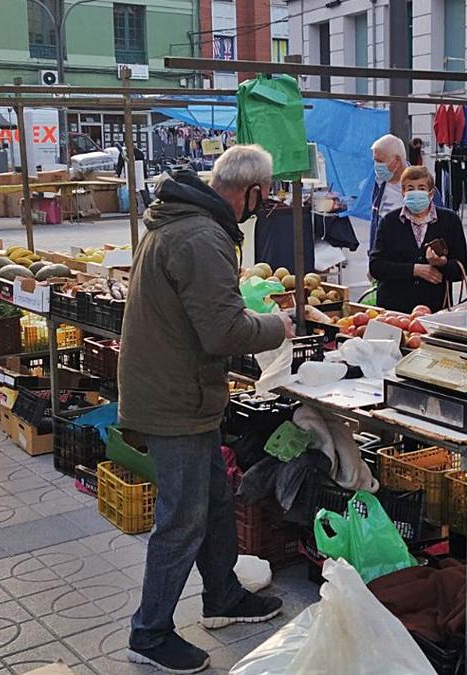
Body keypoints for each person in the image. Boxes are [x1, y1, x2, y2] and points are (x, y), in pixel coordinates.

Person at [119, 144, 294, 674]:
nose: (261, 209)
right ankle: (149, 633)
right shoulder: (200, 236)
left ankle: (223, 596)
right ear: (252, 191)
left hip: (179, 389)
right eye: (263, 199)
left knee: (216, 501)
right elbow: (222, 332)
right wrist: (276, 326)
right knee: (182, 520)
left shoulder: (182, 221)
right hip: (175, 401)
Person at [369, 165, 467, 313]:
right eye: (410, 188)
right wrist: (414, 270)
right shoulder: (389, 222)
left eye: (421, 188)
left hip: (434, 309)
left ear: (431, 193)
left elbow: (462, 269)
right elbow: (376, 266)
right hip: (394, 310)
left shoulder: (449, 221)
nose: (416, 192)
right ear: (403, 192)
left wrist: (442, 263)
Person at [368, 134, 408, 249]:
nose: (376, 166)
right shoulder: (380, 184)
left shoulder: (420, 185)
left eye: (380, 161)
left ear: (397, 160)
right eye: (375, 161)